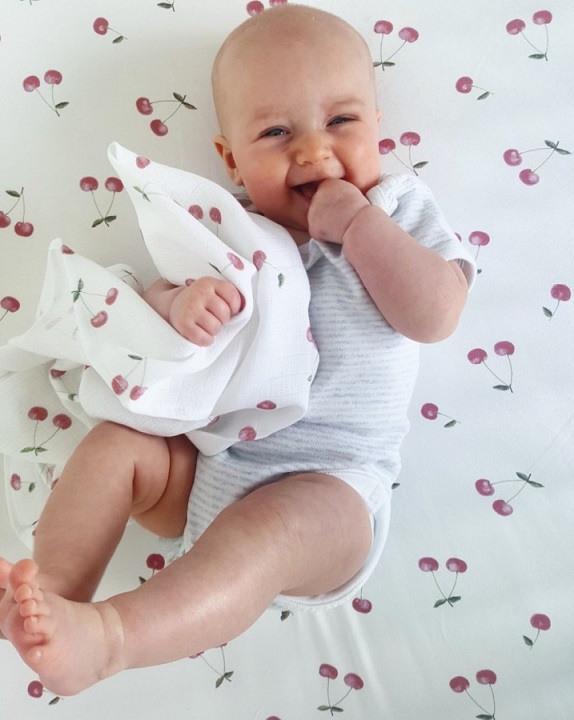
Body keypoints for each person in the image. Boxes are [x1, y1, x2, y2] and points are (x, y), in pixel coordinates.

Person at [0, 4, 474, 696]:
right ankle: (50, 598)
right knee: (114, 446)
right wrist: (178, 305)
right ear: (231, 159)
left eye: (340, 121)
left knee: (269, 529)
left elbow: (435, 314)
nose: (312, 151)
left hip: (333, 487)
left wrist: (359, 226)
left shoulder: (396, 209)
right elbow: (151, 314)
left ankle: (112, 639)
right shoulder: (224, 224)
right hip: (204, 465)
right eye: (277, 132)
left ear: (378, 127)